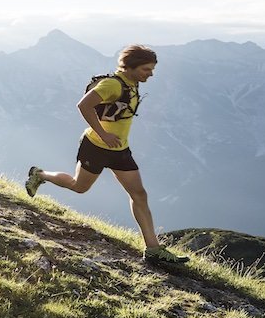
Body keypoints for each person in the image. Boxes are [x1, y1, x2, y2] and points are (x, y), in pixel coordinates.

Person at [24, 44, 189, 264]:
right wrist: (103, 134)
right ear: (130, 67)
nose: (151, 74)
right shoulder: (113, 84)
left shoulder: (131, 83)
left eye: (151, 69)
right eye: (146, 69)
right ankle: (40, 175)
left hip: (120, 150)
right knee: (79, 186)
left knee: (139, 194)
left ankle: (153, 249)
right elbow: (83, 105)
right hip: (96, 146)